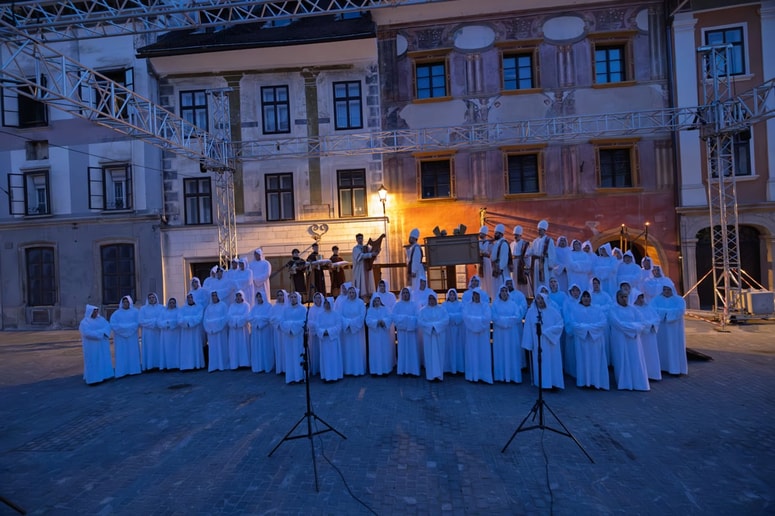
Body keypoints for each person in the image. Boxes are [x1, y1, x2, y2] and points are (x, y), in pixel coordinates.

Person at [608, 289, 650, 391]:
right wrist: (633, 328)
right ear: (617, 297)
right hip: (620, 339)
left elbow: (642, 323)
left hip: (634, 340)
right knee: (622, 360)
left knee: (636, 360)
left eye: (625, 296)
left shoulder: (633, 309)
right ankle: (625, 383)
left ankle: (638, 383)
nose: (624, 299)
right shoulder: (613, 309)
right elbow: (618, 324)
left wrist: (633, 328)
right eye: (621, 297)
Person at [522, 293, 564, 390]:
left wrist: (548, 332)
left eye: (542, 298)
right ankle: (543, 383)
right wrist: (528, 343)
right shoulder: (531, 312)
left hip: (551, 343)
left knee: (553, 363)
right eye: (538, 299)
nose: (540, 301)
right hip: (538, 343)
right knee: (541, 363)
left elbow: (560, 325)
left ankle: (554, 383)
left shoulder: (553, 312)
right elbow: (527, 328)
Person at [570, 290, 609, 390]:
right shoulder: (575, 309)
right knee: (583, 361)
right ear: (581, 298)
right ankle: (584, 382)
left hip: (595, 341)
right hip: (582, 341)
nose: (586, 298)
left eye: (588, 297)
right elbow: (573, 324)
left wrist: (589, 329)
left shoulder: (597, 309)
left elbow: (603, 322)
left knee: (595, 360)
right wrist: (586, 329)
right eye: (584, 296)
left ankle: (596, 382)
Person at [651, 285, 688, 375]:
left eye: (668, 290)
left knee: (673, 347)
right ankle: (662, 367)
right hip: (661, 329)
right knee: (661, 346)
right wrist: (668, 312)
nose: (666, 291)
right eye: (664, 289)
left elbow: (680, 310)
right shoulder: (656, 299)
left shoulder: (679, 300)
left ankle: (675, 369)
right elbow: (652, 310)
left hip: (674, 329)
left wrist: (666, 313)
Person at [491, 285, 523, 383]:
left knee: (512, 352)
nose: (504, 293)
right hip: (499, 333)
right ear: (499, 292)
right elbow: (494, 317)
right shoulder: (495, 304)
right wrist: (505, 321)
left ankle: (513, 376)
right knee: (500, 352)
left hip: (511, 333)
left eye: (506, 291)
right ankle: (501, 376)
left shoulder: (513, 304)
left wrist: (506, 321)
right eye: (502, 291)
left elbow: (517, 316)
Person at [462, 290, 493, 384]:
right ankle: (473, 375)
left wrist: (474, 321)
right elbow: (465, 317)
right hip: (471, 335)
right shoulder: (468, 305)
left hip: (483, 335)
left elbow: (487, 318)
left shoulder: (485, 306)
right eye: (474, 294)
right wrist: (478, 321)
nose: (476, 296)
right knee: (472, 353)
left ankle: (484, 375)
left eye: (477, 295)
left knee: (483, 353)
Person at [79, 304, 114, 385]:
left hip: (102, 345)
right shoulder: (84, 322)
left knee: (103, 359)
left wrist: (101, 333)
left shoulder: (101, 319)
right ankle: (94, 379)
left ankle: (105, 376)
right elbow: (86, 333)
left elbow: (108, 327)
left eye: (96, 311)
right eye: (94, 311)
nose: (95, 313)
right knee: (93, 360)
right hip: (92, 346)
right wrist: (100, 333)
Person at [418, 293, 449, 381]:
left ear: (436, 299)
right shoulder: (423, 310)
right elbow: (420, 321)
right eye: (430, 298)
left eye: (433, 298)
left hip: (439, 335)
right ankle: (430, 375)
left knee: (439, 354)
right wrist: (430, 327)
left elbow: (446, 320)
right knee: (429, 354)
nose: (431, 300)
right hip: (428, 335)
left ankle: (439, 375)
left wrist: (435, 326)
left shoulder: (442, 309)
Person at [633, 290, 662, 381]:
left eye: (642, 297)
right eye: (638, 298)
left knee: (651, 355)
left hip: (650, 335)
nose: (641, 300)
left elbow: (657, 318)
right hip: (642, 336)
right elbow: (637, 322)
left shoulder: (648, 307)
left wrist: (652, 324)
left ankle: (653, 374)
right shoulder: (633, 309)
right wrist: (648, 325)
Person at [110, 295, 142, 378]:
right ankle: (122, 371)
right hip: (120, 338)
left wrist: (127, 329)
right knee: (122, 353)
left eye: (127, 302)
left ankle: (134, 370)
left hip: (132, 337)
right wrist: (124, 330)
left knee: (133, 353)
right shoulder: (116, 314)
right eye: (124, 302)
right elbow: (113, 324)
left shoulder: (135, 312)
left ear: (130, 302)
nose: (125, 303)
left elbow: (138, 322)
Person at [338, 285, 367, 376]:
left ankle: (358, 370)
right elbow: (340, 316)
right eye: (350, 292)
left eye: (353, 292)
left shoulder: (360, 303)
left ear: (356, 293)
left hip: (357, 331)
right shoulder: (343, 303)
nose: (351, 294)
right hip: (347, 332)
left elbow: (362, 316)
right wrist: (348, 323)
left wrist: (352, 323)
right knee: (348, 350)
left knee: (357, 350)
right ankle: (348, 370)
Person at [280, 292, 307, 384]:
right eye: (291, 297)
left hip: (298, 336)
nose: (293, 298)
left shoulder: (303, 309)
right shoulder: (285, 310)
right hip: (288, 337)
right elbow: (282, 322)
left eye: (295, 297)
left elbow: (304, 321)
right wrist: (289, 328)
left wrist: (292, 326)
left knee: (299, 355)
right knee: (290, 356)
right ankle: (291, 377)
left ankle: (299, 377)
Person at [393, 287, 420, 376]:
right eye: (403, 293)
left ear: (410, 294)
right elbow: (394, 317)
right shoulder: (397, 305)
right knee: (402, 350)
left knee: (412, 350)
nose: (405, 294)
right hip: (402, 332)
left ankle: (413, 370)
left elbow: (417, 317)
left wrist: (406, 320)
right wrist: (406, 321)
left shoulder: (414, 305)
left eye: (407, 293)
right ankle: (403, 369)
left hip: (412, 333)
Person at [365, 296, 395, 375]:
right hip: (374, 335)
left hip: (383, 334)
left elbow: (390, 317)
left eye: (378, 301)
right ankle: (375, 371)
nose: (376, 302)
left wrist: (384, 321)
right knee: (375, 351)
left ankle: (386, 370)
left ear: (380, 301)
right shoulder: (370, 310)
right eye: (375, 301)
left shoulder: (385, 309)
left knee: (384, 351)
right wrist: (376, 322)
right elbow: (368, 320)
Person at [316, 297, 344, 382]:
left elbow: (339, 326)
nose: (327, 305)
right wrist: (322, 332)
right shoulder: (320, 315)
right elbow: (317, 326)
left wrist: (328, 331)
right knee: (325, 358)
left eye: (328, 303)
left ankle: (335, 376)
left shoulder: (336, 314)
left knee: (334, 358)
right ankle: (326, 376)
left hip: (333, 340)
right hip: (324, 340)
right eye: (325, 303)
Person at [248, 291, 274, 373]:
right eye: (258, 297)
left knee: (265, 347)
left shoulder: (269, 306)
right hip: (256, 332)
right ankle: (258, 366)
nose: (259, 298)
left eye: (260, 296)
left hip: (265, 331)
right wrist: (257, 322)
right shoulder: (254, 307)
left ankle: (266, 366)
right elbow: (249, 317)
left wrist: (259, 321)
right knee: (257, 348)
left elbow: (269, 317)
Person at [528, 220, 556, 295]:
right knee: (537, 280)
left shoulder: (549, 240)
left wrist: (551, 264)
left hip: (545, 263)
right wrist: (526, 253)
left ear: (544, 230)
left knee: (545, 280)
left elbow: (552, 253)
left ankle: (546, 295)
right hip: (537, 263)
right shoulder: (535, 241)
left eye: (541, 230)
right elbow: (532, 250)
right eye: (538, 230)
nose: (539, 231)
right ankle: (537, 294)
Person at [203, 291, 229, 372]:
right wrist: (210, 328)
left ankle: (223, 365)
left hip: (221, 332)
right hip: (211, 333)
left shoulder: (223, 305)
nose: (214, 297)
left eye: (215, 295)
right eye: (213, 295)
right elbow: (205, 320)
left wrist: (218, 326)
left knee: (221, 347)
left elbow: (226, 317)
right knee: (213, 349)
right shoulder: (208, 307)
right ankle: (214, 365)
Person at [179, 292, 205, 371]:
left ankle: (196, 364)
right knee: (186, 348)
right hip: (185, 332)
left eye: (191, 297)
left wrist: (189, 322)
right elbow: (179, 319)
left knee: (195, 346)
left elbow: (199, 317)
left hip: (195, 331)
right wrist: (186, 323)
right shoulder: (183, 308)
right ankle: (186, 365)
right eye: (188, 298)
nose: (190, 299)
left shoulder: (199, 307)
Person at [138, 292, 163, 371]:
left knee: (159, 348)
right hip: (148, 333)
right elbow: (141, 321)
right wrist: (154, 322)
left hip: (158, 332)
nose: (152, 299)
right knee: (149, 348)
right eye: (150, 298)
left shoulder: (161, 308)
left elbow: (162, 319)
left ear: (156, 298)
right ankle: (149, 366)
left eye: (153, 297)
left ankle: (159, 364)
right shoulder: (143, 309)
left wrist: (156, 323)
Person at [442, 289, 465, 375]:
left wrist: (453, 319)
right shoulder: (444, 304)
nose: (452, 296)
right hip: (448, 330)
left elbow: (462, 315)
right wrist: (453, 318)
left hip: (458, 330)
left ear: (456, 295)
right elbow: (444, 315)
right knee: (449, 348)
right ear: (448, 296)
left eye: (453, 294)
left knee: (458, 348)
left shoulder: (460, 305)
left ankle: (459, 367)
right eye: (450, 295)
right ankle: (449, 367)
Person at [227, 290, 251, 369]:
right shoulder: (232, 306)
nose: (238, 297)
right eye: (237, 296)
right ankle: (235, 364)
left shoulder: (246, 305)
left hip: (243, 330)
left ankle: (244, 363)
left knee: (243, 345)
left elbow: (246, 316)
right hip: (233, 330)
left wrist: (238, 321)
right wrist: (235, 322)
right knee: (234, 347)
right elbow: (229, 317)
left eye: (239, 296)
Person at [352, 233, 378, 301]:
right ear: (356, 240)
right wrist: (371, 254)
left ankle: (369, 299)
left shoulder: (367, 247)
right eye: (359, 238)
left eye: (361, 238)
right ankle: (361, 299)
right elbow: (360, 256)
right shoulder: (355, 249)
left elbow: (373, 257)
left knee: (369, 284)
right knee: (361, 284)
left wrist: (375, 252)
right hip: (360, 270)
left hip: (367, 268)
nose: (360, 240)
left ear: (363, 239)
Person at [158, 297, 181, 370]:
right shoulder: (163, 312)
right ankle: (167, 365)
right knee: (166, 349)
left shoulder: (179, 311)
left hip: (176, 334)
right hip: (166, 334)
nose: (171, 304)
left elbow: (179, 321)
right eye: (170, 303)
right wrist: (166, 324)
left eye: (173, 303)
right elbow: (159, 322)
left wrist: (171, 323)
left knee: (176, 349)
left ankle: (176, 365)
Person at [306, 291, 325, 376]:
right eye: (316, 298)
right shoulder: (312, 309)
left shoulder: (324, 308)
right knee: (315, 351)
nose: (317, 299)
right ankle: (315, 369)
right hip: (314, 335)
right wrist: (315, 326)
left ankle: (323, 369)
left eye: (319, 298)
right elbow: (309, 321)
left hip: (322, 333)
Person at [270, 289, 288, 374]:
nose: (280, 297)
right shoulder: (274, 307)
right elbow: (271, 318)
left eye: (281, 295)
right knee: (278, 348)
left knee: (285, 349)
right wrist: (279, 321)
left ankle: (286, 368)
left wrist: (281, 322)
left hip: (285, 332)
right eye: (278, 295)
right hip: (277, 331)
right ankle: (280, 368)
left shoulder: (287, 307)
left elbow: (287, 319)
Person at [510, 225, 531, 298]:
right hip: (514, 264)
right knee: (514, 280)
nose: (515, 236)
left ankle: (524, 296)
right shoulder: (511, 244)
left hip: (521, 265)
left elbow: (527, 255)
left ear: (520, 235)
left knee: (522, 282)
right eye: (514, 235)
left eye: (517, 235)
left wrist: (527, 266)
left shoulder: (524, 244)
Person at [490, 224, 511, 292]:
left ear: (501, 234)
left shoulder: (503, 243)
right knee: (495, 287)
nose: (495, 234)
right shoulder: (496, 243)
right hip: (495, 267)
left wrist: (500, 268)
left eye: (496, 233)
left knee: (501, 286)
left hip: (501, 270)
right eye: (495, 233)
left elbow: (504, 258)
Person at [477, 225, 494, 300]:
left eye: (482, 234)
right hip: (479, 261)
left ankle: (489, 294)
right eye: (480, 233)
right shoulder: (477, 242)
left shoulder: (489, 243)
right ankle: (481, 294)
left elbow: (492, 252)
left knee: (488, 277)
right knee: (480, 278)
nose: (480, 235)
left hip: (486, 261)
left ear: (485, 234)